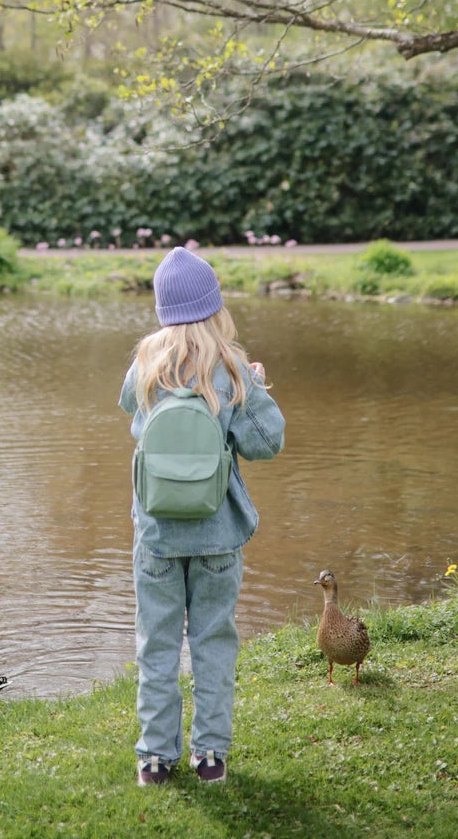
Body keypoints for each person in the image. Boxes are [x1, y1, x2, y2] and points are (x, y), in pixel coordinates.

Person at [119, 246, 285, 787]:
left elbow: (131, 412)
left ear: (164, 309)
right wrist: (254, 386)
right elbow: (266, 443)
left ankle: (154, 759)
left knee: (157, 645)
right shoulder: (232, 367)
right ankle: (210, 755)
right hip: (217, 535)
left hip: (157, 536)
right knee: (214, 642)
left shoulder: (145, 364)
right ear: (214, 307)